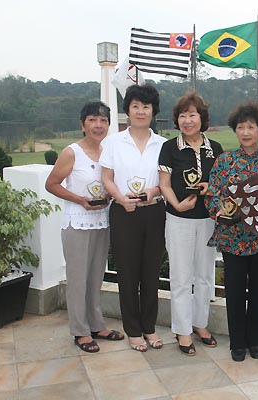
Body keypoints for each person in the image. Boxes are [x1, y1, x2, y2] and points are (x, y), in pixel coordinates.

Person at [205, 102, 258, 362]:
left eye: (251, 127)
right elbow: (213, 194)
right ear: (235, 131)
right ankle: (237, 342)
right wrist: (218, 211)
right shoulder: (224, 161)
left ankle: (255, 341)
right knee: (235, 293)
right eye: (241, 127)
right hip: (232, 239)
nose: (246, 132)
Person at [45, 101, 124, 353]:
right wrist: (80, 200)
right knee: (78, 279)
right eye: (92, 120)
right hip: (77, 222)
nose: (98, 125)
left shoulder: (108, 152)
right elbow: (52, 184)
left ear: (108, 125)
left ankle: (97, 324)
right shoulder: (72, 152)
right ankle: (79, 331)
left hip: (101, 221)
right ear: (82, 124)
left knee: (95, 278)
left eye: (103, 120)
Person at [99, 84, 166, 352]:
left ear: (153, 111)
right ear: (127, 110)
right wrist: (120, 198)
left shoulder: (163, 144)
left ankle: (149, 327)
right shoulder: (114, 142)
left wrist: (155, 191)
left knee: (151, 272)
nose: (141, 111)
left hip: (154, 211)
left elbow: (166, 182)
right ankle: (133, 329)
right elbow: (106, 177)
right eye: (136, 106)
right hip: (123, 212)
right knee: (127, 273)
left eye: (146, 106)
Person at [158, 91, 223, 355]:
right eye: (183, 115)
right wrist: (176, 204)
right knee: (182, 277)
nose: (188, 120)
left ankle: (200, 323)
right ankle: (183, 330)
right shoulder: (169, 147)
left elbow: (221, 183)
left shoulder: (215, 148)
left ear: (201, 117)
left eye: (192, 114)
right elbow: (164, 184)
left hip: (207, 220)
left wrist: (210, 188)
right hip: (179, 219)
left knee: (205, 275)